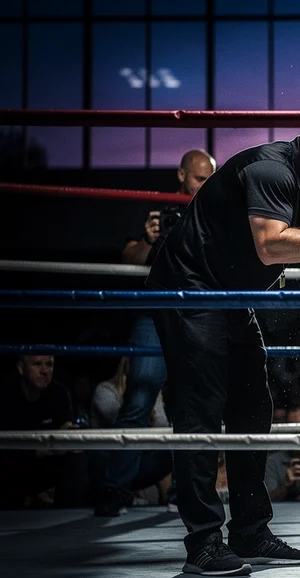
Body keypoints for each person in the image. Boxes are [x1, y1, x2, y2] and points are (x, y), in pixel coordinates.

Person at [146, 127, 300, 577]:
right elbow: (270, 246)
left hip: (229, 296)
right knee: (200, 411)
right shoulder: (270, 170)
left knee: (252, 405)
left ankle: (249, 531)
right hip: (191, 290)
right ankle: (203, 543)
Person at [95, 149, 217, 518]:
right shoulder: (157, 209)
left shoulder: (216, 211)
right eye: (199, 179)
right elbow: (127, 261)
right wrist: (149, 239)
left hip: (196, 312)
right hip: (154, 309)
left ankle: (185, 492)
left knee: (190, 403)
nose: (204, 187)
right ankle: (114, 490)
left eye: (210, 179)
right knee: (139, 396)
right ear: (181, 175)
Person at [0, 355, 89, 509]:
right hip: (14, 463)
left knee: (78, 458)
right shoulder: (6, 395)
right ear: (21, 368)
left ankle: (69, 517)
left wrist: (67, 439)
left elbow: (65, 436)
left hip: (47, 463)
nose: (44, 371)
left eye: (49, 364)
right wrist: (49, 448)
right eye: (37, 364)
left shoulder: (59, 393)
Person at [90, 357, 172, 509]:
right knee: (128, 441)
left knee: (171, 446)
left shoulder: (152, 392)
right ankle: (115, 495)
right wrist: (139, 407)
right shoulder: (106, 390)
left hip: (141, 460)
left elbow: (162, 423)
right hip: (109, 463)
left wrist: (144, 406)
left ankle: (172, 497)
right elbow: (117, 417)